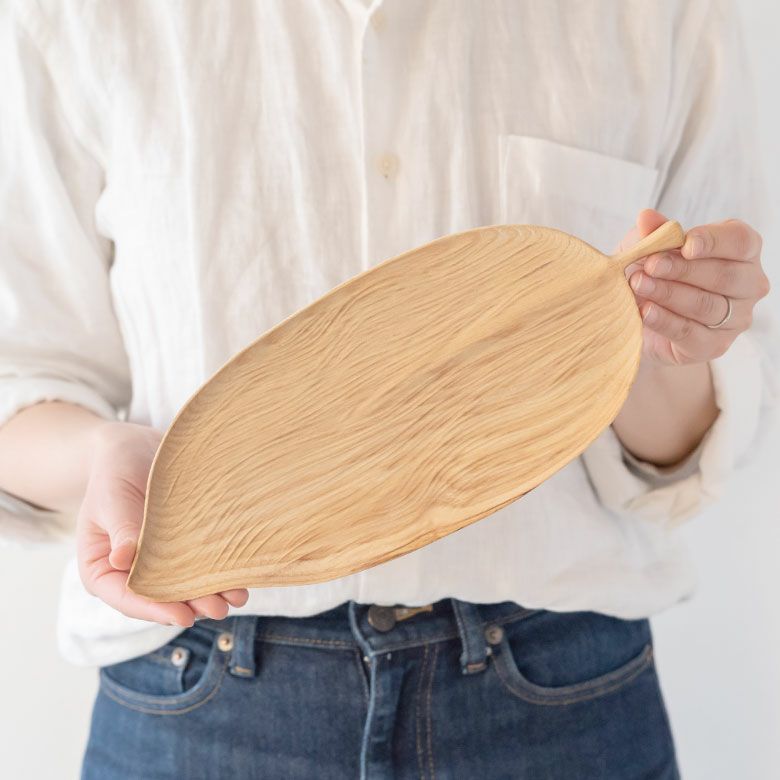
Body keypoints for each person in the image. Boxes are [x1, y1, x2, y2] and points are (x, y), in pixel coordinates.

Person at [0, 1, 775, 778]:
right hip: (200, 698)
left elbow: (686, 447)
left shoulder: (663, 16)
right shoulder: (79, 17)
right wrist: (105, 455)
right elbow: (20, 376)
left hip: (557, 698)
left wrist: (665, 341)